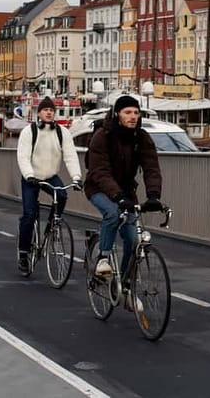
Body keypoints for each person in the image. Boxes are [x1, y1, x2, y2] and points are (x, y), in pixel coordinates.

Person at [83, 95, 163, 300]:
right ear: (117, 114)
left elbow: (151, 167)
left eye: (136, 113)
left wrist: (153, 196)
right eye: (128, 112)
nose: (133, 116)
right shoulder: (103, 136)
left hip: (126, 193)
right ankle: (103, 258)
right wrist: (117, 196)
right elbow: (99, 171)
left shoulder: (141, 137)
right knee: (112, 213)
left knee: (133, 238)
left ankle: (125, 283)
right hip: (99, 188)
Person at [15, 97, 83, 274]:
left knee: (62, 195)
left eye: (51, 110)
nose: (49, 112)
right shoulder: (29, 132)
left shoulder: (62, 132)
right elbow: (22, 156)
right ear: (39, 113)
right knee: (29, 215)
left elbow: (70, 156)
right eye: (45, 110)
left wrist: (76, 177)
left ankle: (53, 225)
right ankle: (23, 254)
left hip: (51, 175)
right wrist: (29, 175)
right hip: (31, 176)